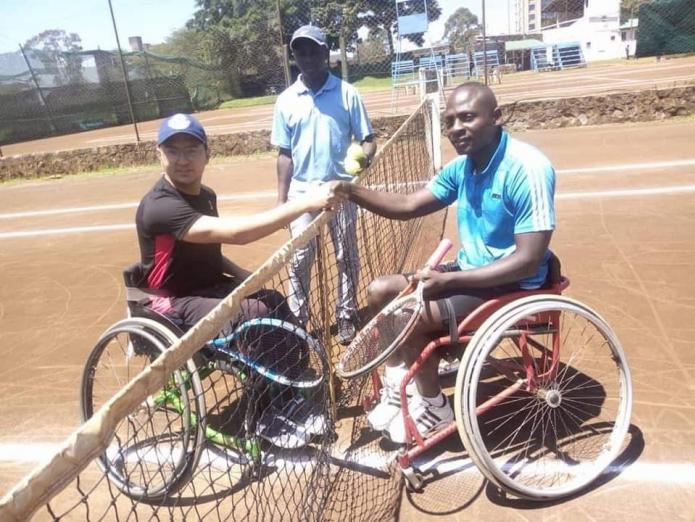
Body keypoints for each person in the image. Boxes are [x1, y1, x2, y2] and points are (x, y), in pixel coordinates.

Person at [335, 82, 556, 444]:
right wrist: (348, 190)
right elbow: (408, 206)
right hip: (472, 272)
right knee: (381, 292)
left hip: (513, 284)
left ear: (496, 117)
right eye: (450, 121)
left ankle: (435, 407)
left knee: (407, 315)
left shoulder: (527, 168)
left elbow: (528, 261)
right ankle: (397, 387)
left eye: (467, 118)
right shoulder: (463, 167)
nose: (456, 129)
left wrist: (450, 282)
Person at [135, 113, 344, 448]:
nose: (183, 159)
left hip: (207, 286)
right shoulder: (160, 206)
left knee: (273, 300)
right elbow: (238, 234)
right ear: (159, 154)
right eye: (173, 151)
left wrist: (244, 276)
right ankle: (265, 414)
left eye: (192, 149)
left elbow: (206, 253)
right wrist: (304, 203)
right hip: (171, 302)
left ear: (207, 153)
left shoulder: (205, 195)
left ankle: (286, 390)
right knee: (252, 316)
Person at [271, 25, 377, 345]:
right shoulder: (286, 101)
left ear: (325, 52)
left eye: (313, 50)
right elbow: (284, 154)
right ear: (295, 57)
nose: (307, 57)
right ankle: (298, 325)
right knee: (300, 260)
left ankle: (345, 315)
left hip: (341, 190)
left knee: (346, 255)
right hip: (302, 192)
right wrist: (282, 202)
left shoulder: (348, 93)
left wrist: (363, 160)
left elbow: (368, 141)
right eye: (300, 51)